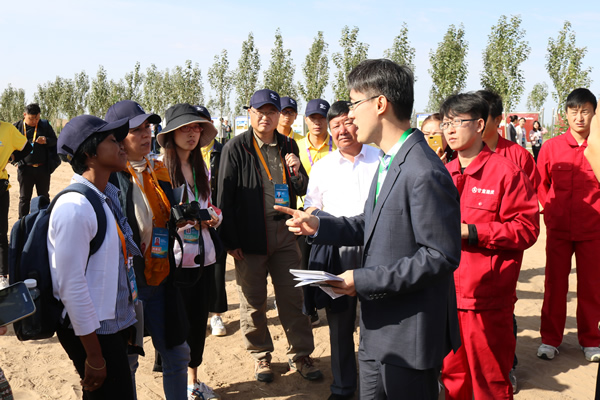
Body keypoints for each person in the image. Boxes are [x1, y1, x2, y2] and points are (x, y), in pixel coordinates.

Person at [276, 59, 461, 399]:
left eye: (354, 104)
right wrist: (319, 225)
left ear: (380, 104)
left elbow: (439, 257)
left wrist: (362, 280)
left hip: (407, 334)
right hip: (378, 329)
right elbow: (371, 223)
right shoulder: (390, 160)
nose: (350, 116)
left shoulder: (423, 170)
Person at [438, 92, 539, 400]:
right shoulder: (442, 174)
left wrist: (473, 232)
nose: (450, 130)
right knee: (453, 378)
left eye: (458, 122)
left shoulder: (506, 173)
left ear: (480, 125)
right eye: (445, 123)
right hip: (447, 297)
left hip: (487, 299)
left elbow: (526, 229)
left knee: (490, 382)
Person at [217, 89, 321, 383]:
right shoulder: (236, 147)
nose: (266, 117)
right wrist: (231, 241)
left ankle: (301, 354)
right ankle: (260, 356)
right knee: (253, 300)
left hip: (286, 233)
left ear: (279, 115)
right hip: (250, 235)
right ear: (249, 113)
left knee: (293, 297)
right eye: (259, 111)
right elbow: (224, 197)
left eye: (272, 112)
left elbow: (301, 188)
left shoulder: (288, 144)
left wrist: (297, 172)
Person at [49, 114, 141, 399]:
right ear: (89, 153)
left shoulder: (104, 197)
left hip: (109, 327)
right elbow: (71, 286)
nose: (122, 146)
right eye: (113, 140)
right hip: (94, 333)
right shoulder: (75, 208)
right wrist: (94, 355)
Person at [105, 100, 191, 400]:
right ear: (116, 137)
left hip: (162, 278)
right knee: (127, 360)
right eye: (136, 130)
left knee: (177, 353)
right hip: (127, 287)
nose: (146, 134)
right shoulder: (108, 179)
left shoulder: (158, 170)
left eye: (148, 128)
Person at [303, 100, 380, 400]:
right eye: (335, 125)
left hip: (375, 250)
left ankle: (376, 388)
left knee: (376, 322)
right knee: (339, 325)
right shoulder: (322, 167)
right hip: (337, 252)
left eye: (347, 122)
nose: (342, 130)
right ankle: (343, 388)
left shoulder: (380, 158)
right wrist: (315, 218)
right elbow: (312, 205)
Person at [156, 103, 221, 400]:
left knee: (196, 322)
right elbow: (156, 216)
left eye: (196, 128)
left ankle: (192, 383)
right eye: (185, 128)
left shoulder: (200, 167)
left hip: (203, 258)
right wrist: (182, 218)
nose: (192, 133)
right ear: (171, 134)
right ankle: (178, 384)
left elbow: (208, 204)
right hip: (174, 260)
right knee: (175, 326)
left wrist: (213, 216)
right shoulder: (159, 168)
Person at [476, 89, 540, 393]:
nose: (475, 124)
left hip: (500, 252)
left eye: (482, 117)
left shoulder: (518, 157)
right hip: (465, 257)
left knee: (502, 310)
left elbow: (525, 214)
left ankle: (507, 367)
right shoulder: (459, 153)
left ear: (498, 120)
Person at [536, 88, 600, 363]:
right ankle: (550, 339)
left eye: (585, 111)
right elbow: (541, 184)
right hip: (559, 230)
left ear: (594, 114)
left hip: (593, 230)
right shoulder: (551, 147)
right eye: (574, 111)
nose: (579, 117)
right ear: (566, 114)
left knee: (591, 287)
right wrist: (551, 212)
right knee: (554, 285)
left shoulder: (598, 149)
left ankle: (591, 340)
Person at [196, 105, 228, 337]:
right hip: (190, 222)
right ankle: (198, 313)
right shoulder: (185, 154)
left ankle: (216, 315)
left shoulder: (223, 151)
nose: (197, 129)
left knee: (217, 268)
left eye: (202, 123)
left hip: (216, 218)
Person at [12, 103, 58, 218]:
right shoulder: (16, 127)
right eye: (31, 118)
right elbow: (10, 146)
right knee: (24, 198)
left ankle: (44, 222)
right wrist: (14, 162)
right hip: (24, 169)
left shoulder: (45, 125)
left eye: (37, 118)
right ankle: (22, 224)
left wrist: (46, 140)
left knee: (44, 197)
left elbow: (55, 141)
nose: (34, 121)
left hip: (43, 169)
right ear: (24, 115)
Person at [0, 122, 31, 288]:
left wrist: (11, 158)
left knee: (1, 233)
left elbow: (27, 148)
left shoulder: (8, 129)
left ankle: (2, 276)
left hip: (0, 186)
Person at [297, 99, 336, 177]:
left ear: (329, 120)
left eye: (322, 117)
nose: (317, 122)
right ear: (306, 120)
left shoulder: (339, 146)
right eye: (313, 117)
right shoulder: (296, 146)